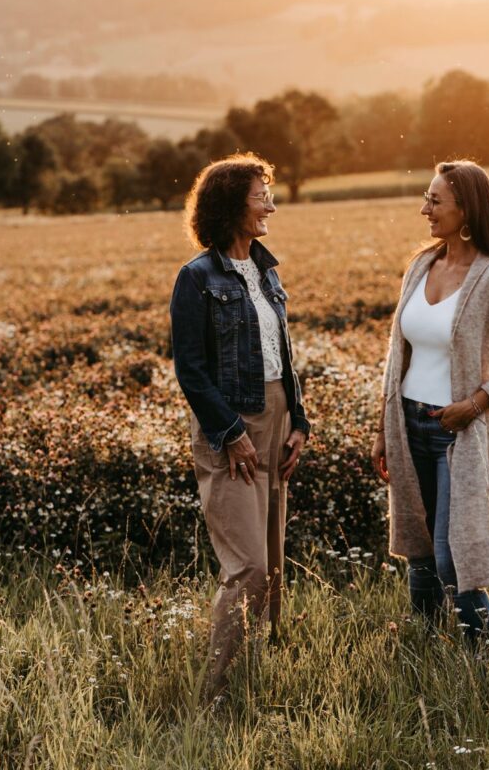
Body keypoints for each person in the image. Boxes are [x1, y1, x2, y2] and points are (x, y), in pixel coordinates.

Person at [372, 159, 489, 641]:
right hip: (407, 424)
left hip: (459, 431)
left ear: (465, 209)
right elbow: (398, 356)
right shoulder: (421, 265)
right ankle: (426, 650)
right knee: (419, 550)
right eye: (426, 198)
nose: (424, 208)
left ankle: (484, 661)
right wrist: (383, 430)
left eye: (434, 200)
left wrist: (475, 403)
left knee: (456, 555)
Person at [170, 153, 310, 702]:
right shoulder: (196, 278)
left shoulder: (267, 270)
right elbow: (191, 369)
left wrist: (299, 420)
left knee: (272, 563)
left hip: (277, 415)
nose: (271, 205)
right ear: (232, 205)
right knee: (248, 566)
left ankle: (257, 674)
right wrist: (230, 433)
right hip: (231, 423)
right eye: (261, 197)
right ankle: (216, 692)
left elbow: (283, 354)